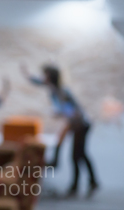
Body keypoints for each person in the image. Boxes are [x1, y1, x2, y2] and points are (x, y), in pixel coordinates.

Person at [21, 64, 98, 197]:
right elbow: (39, 82)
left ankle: (80, 186)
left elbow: (72, 110)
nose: (42, 77)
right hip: (75, 124)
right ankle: (90, 183)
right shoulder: (54, 89)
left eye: (45, 74)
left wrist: (61, 113)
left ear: (50, 76)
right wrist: (27, 75)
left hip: (81, 124)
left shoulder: (60, 91)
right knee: (80, 155)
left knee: (77, 156)